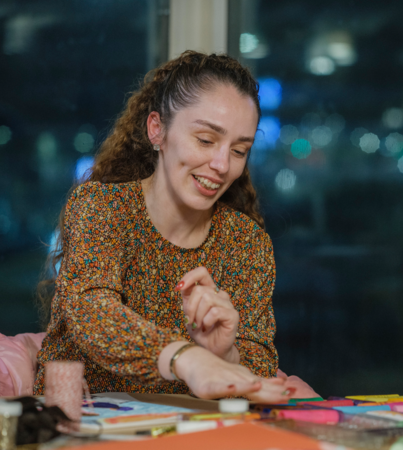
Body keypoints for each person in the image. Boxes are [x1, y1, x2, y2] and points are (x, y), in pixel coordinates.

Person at [34, 51, 316, 402]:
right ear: (157, 130)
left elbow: (259, 362)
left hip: (187, 427)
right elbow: (92, 312)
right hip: (84, 420)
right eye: (205, 140)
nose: (221, 164)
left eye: (239, 150)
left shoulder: (247, 242)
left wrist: (223, 353)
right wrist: (187, 357)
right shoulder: (101, 207)